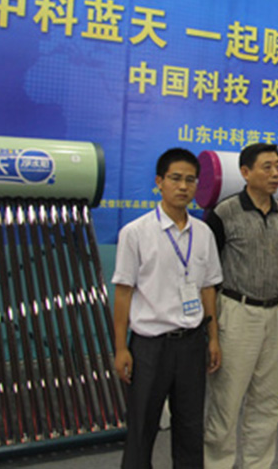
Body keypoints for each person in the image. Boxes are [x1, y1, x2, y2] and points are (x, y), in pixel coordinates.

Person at [112, 148, 223, 469]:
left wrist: (213, 339)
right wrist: (121, 348)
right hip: (150, 346)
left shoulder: (203, 233)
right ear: (159, 181)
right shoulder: (135, 233)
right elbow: (123, 294)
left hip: (191, 343)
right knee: (142, 426)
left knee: (190, 426)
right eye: (175, 178)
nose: (183, 186)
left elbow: (208, 288)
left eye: (190, 180)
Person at [204, 143, 278, 469]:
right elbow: (207, 277)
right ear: (245, 172)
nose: (275, 173)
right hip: (237, 311)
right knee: (227, 398)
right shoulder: (223, 213)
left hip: (276, 312)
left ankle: (258, 464)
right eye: (267, 167)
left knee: (268, 399)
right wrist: (212, 331)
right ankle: (218, 463)